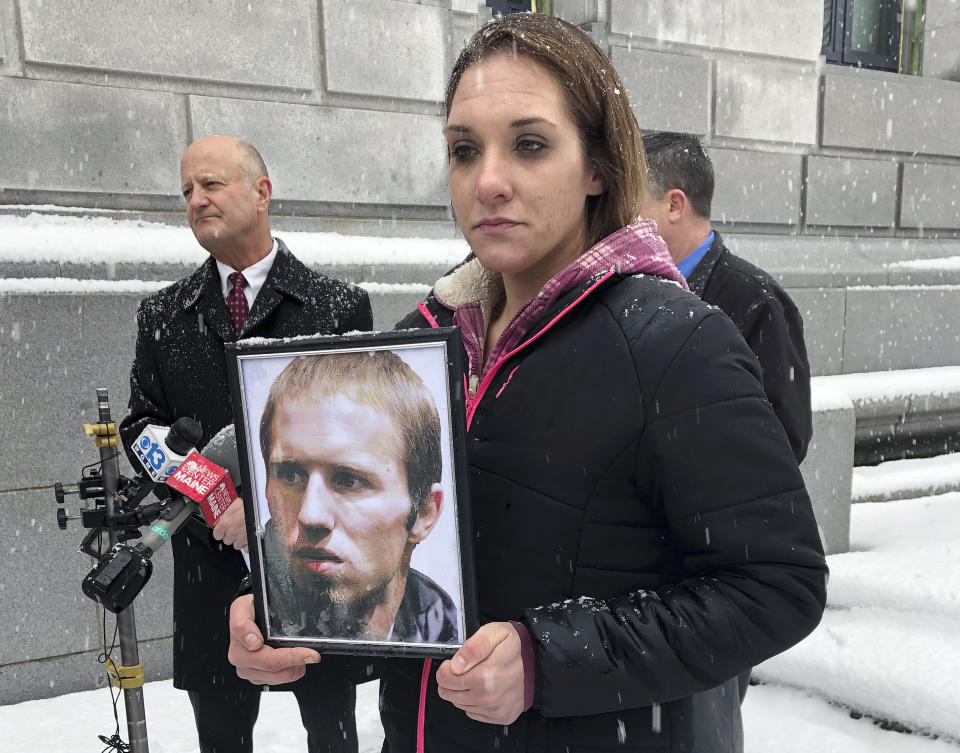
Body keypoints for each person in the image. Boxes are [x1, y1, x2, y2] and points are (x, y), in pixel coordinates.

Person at [227, 15, 827, 753]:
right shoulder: (431, 336)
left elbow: (777, 586)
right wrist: (290, 613)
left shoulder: (676, 343)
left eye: (530, 145)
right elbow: (421, 576)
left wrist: (547, 658)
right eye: (463, 150)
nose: (488, 181)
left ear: (599, 167)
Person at [119, 135, 372, 753]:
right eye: (186, 191)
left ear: (262, 193)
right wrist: (211, 495)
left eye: (211, 184)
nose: (196, 201)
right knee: (221, 740)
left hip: (312, 566)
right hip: (208, 565)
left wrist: (259, 505)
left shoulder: (335, 308)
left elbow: (354, 433)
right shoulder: (163, 315)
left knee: (331, 734)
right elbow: (142, 428)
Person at [258, 351, 459, 644]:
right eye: (290, 476)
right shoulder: (252, 606)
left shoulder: (444, 628)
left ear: (425, 513)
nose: (310, 515)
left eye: (349, 481)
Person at [640, 132, 812, 463]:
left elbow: (786, 437)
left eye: (631, 204)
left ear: (675, 205)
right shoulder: (630, 288)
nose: (619, 221)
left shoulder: (757, 300)